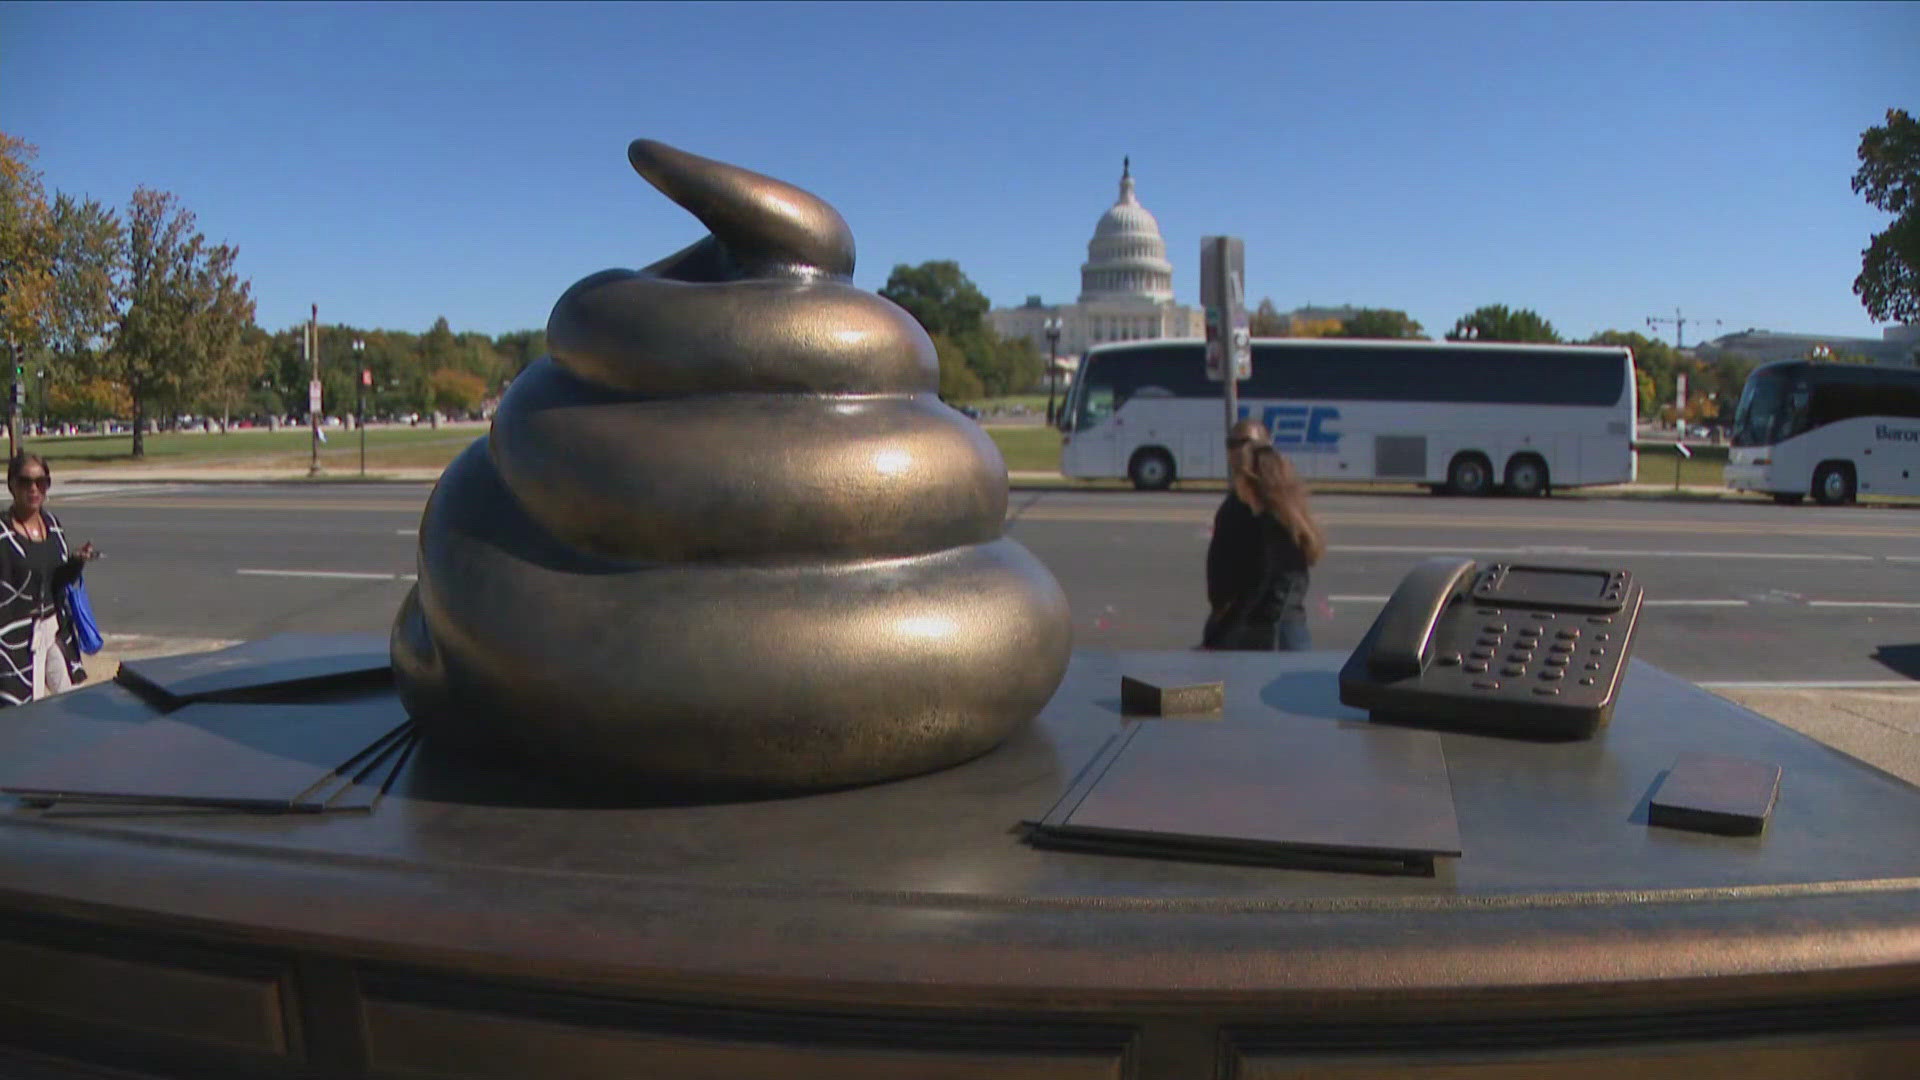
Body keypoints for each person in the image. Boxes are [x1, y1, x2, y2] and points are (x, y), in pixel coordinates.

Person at [1202, 419, 1326, 650]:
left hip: (1262, 632)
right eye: (1231, 444)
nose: (1236, 450)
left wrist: (1221, 633)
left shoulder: (1254, 509)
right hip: (1275, 629)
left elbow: (1253, 581)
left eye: (1243, 443)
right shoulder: (1269, 503)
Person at [0, 453, 97, 705]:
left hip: (52, 628)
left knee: (72, 701)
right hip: (15, 639)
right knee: (25, 707)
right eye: (25, 482)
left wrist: (76, 561)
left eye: (41, 482)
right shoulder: (3, 532)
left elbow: (57, 580)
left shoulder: (52, 526)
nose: (34, 489)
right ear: (11, 485)